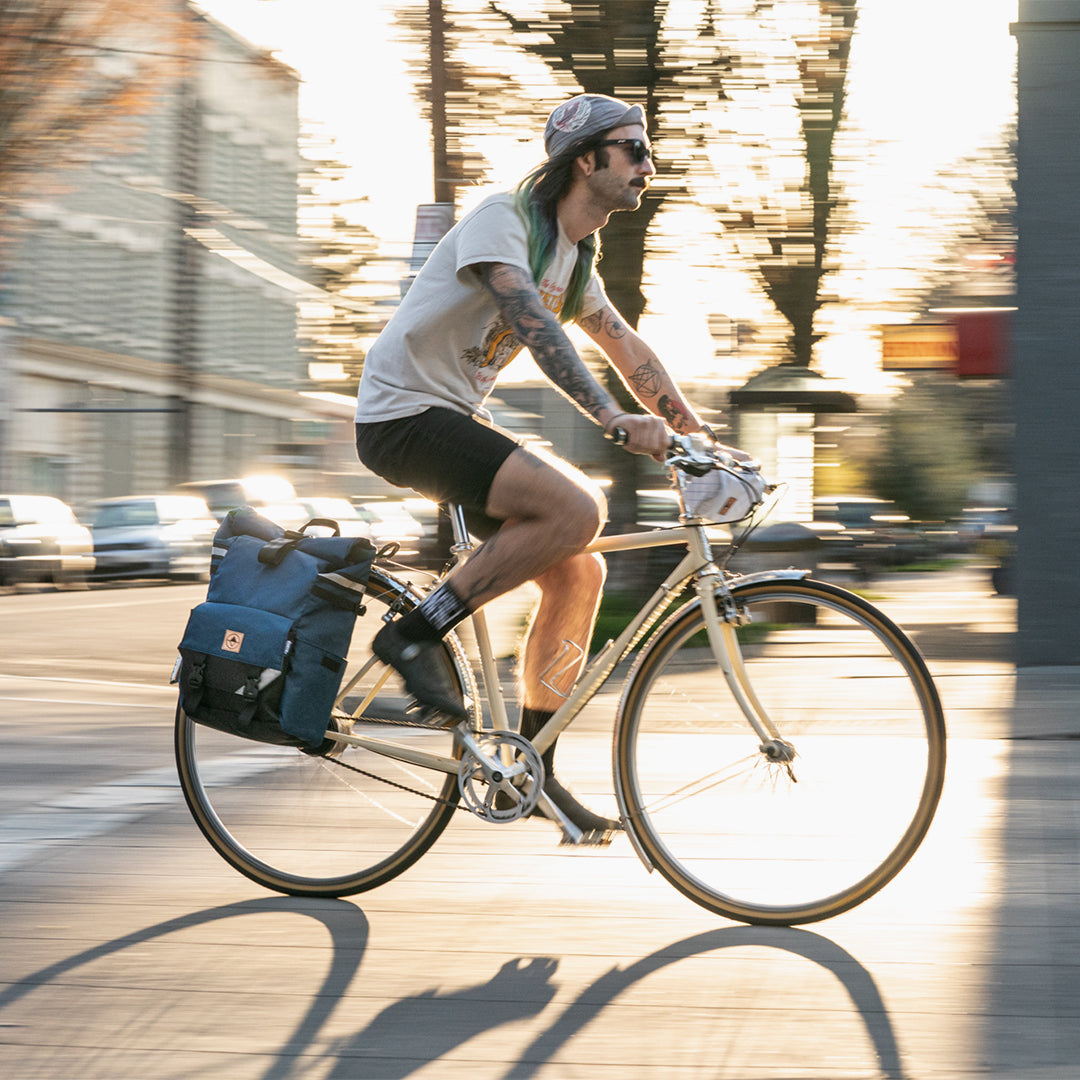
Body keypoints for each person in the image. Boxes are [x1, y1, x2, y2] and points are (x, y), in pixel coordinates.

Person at [354, 93, 741, 838]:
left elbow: (628, 348)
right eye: (633, 149)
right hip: (402, 416)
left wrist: (697, 436)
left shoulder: (576, 257)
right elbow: (531, 323)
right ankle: (413, 633)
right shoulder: (507, 219)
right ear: (586, 159)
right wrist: (610, 418)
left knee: (580, 567)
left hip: (451, 420)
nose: (647, 165)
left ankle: (532, 767)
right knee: (578, 509)